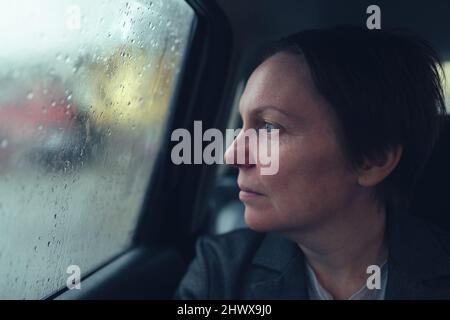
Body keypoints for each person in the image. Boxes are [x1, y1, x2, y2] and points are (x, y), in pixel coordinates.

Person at [175, 26, 450, 299]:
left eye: (269, 127)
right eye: (243, 125)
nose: (231, 156)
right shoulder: (220, 272)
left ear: (373, 159)